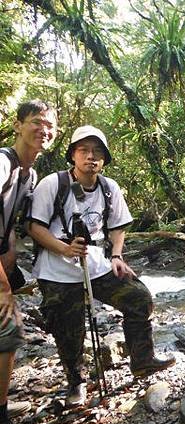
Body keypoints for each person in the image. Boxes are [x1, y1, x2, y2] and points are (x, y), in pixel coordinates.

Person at [28, 125, 175, 408]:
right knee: (68, 328)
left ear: (104, 158)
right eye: (84, 150)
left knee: (139, 298)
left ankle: (142, 360)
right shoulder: (52, 184)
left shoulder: (109, 188)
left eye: (97, 152)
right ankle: (76, 384)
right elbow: (34, 227)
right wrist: (64, 248)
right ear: (73, 155)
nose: (90, 157)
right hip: (56, 269)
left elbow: (117, 226)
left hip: (96, 263)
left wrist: (117, 256)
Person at [0, 100, 55, 424]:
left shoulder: (28, 173)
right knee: (9, 328)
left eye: (49, 125)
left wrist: (9, 248)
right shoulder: (3, 163)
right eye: (36, 122)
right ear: (18, 125)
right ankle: (0, 422)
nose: (43, 129)